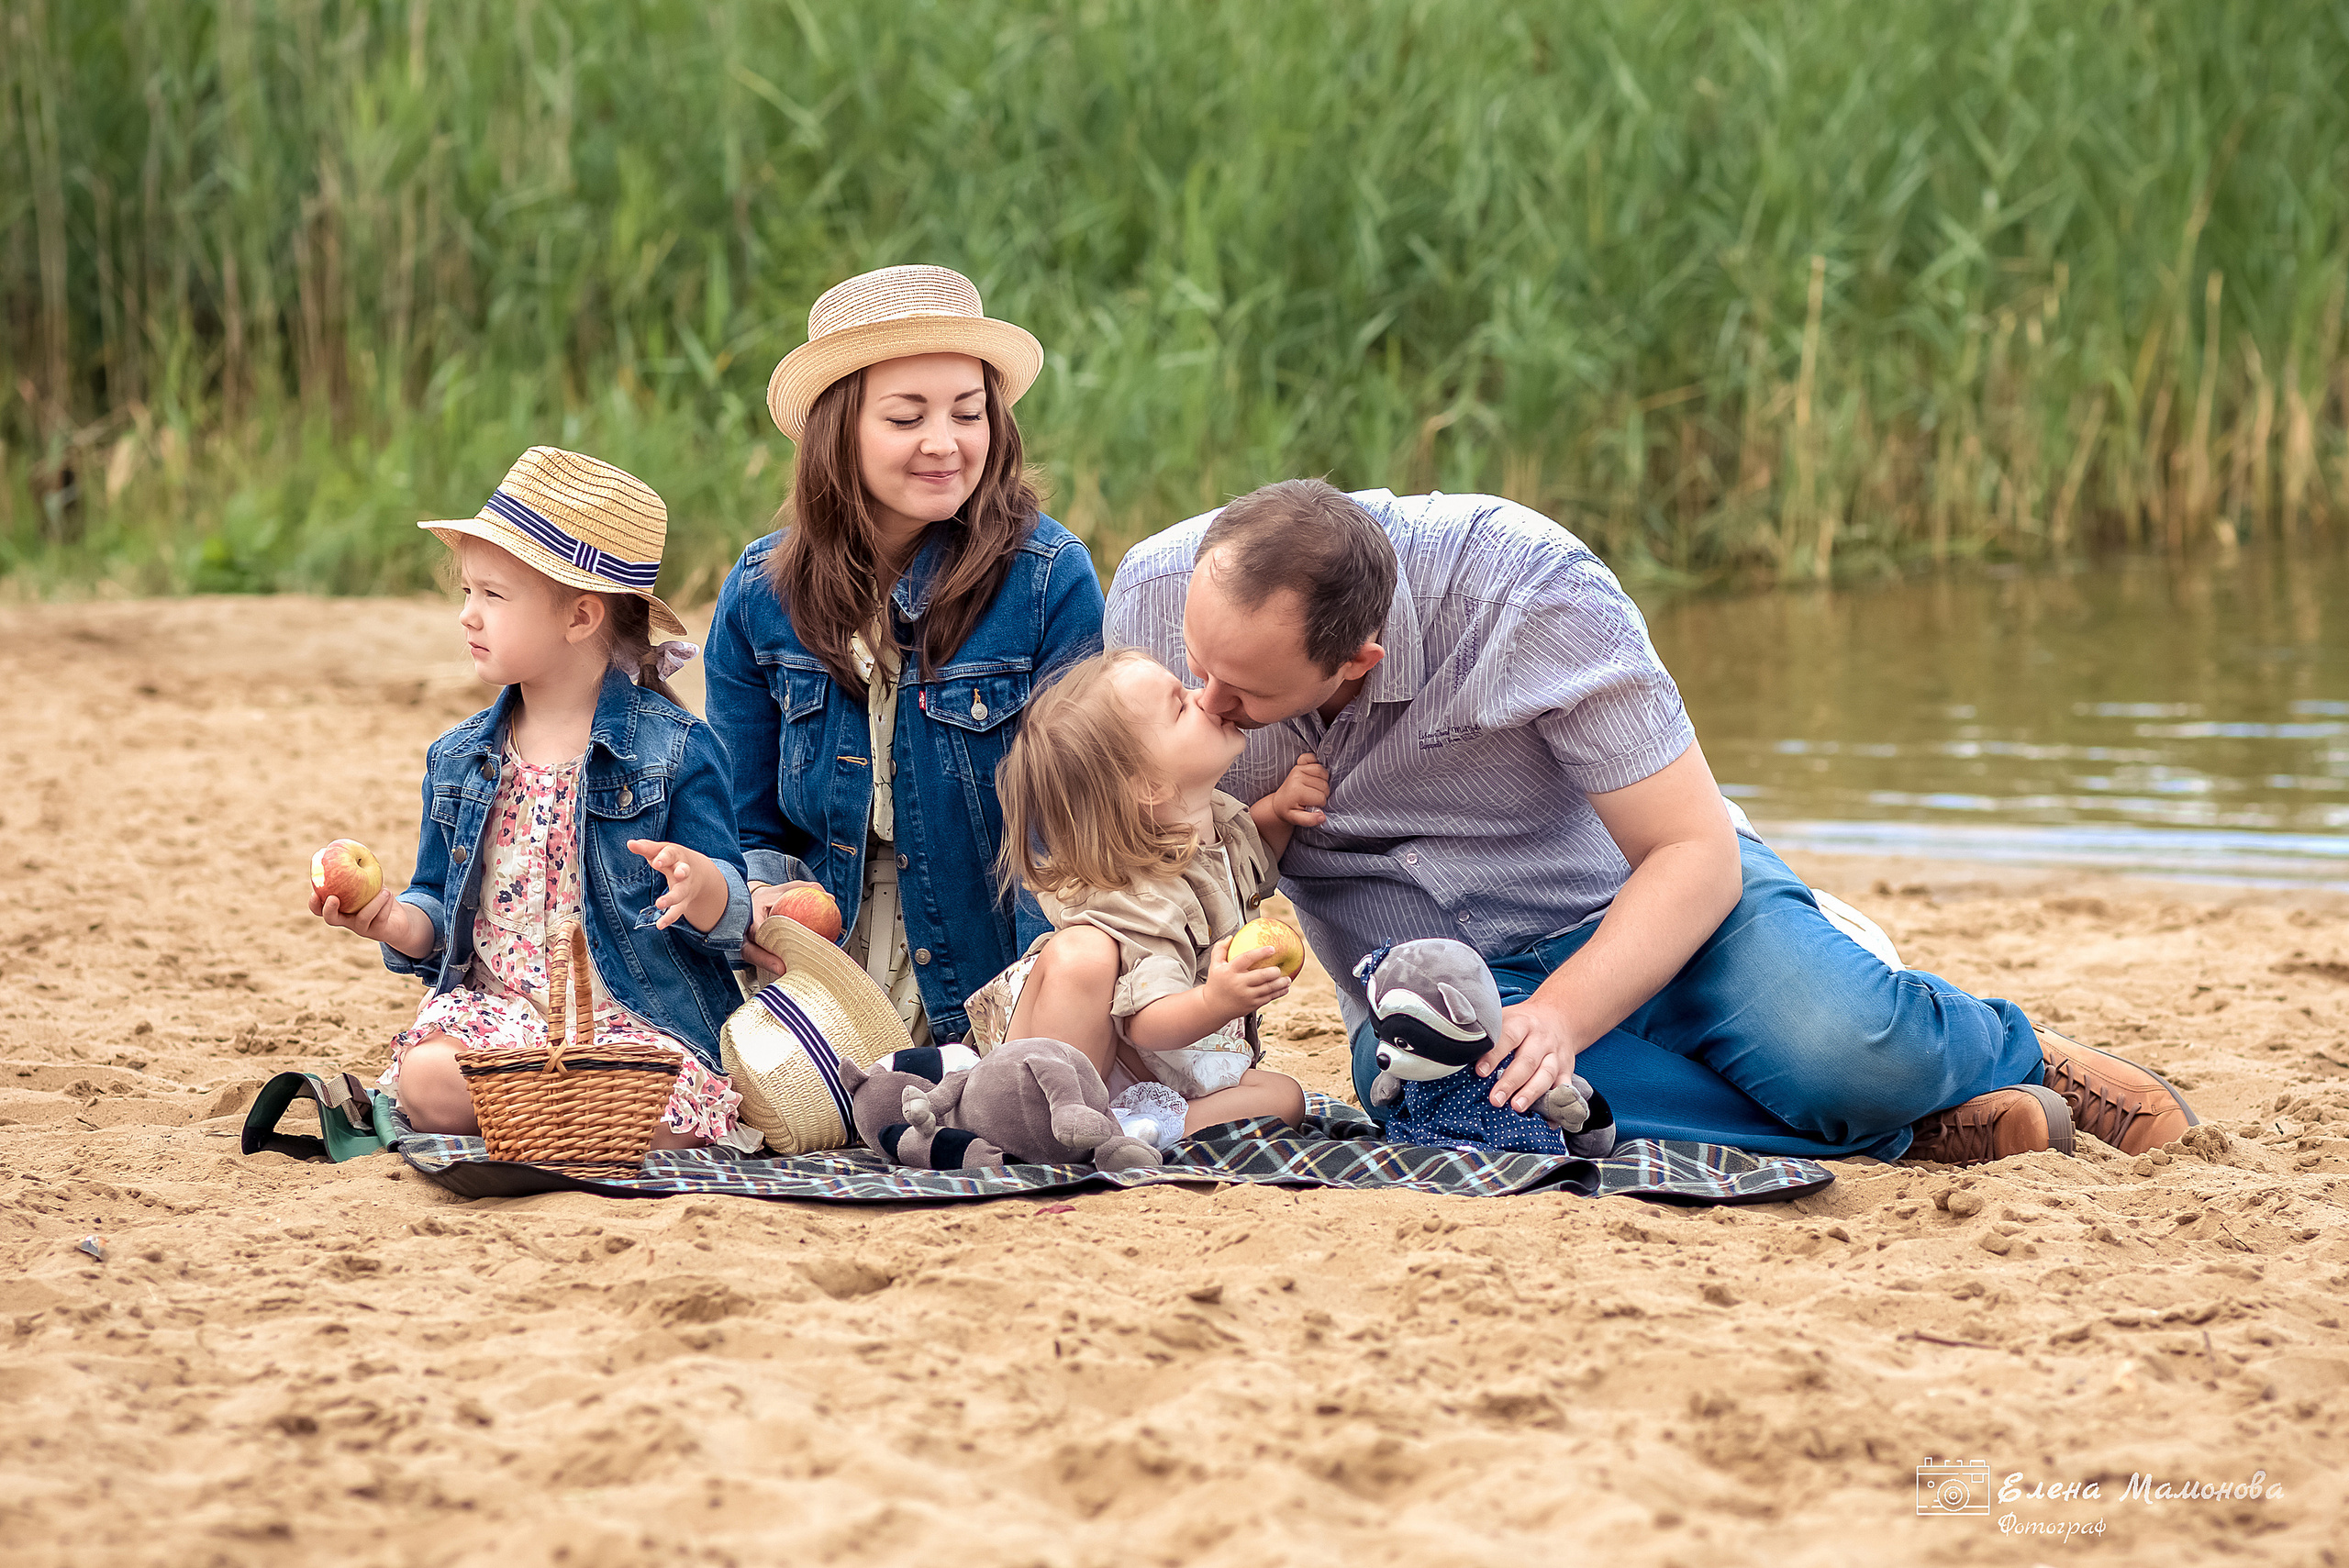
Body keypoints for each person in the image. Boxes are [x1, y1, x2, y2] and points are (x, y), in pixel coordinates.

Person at [1104, 479, 2200, 1164]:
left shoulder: (1524, 585)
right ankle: (1913, 1128)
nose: (1205, 698)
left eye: (1240, 695)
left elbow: (1689, 849)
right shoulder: (1156, 594)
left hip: (1650, 904)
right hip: (1435, 979)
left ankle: (2015, 1054)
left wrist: (1570, 1010)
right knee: (1446, 1104)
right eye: (1194, 668)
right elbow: (1131, 838)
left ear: (1358, 662)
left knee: (1845, 1049)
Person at [704, 265, 1104, 1043]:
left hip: (993, 960)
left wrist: (1028, 1017)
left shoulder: (1049, 579)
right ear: (837, 430)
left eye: (968, 412)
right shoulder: (759, 594)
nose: (945, 444)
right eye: (905, 418)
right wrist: (759, 907)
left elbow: (1065, 830)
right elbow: (744, 822)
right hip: (819, 964)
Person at [312, 449, 752, 1148]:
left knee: (662, 1092)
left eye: (492, 595)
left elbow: (732, 910)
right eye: (466, 592)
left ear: (580, 616)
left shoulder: (676, 750)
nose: (467, 616)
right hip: (501, 1017)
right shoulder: (459, 758)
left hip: (631, 1019)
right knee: (427, 1076)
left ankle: (556, 1113)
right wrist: (393, 920)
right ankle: (574, 1117)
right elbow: (436, 904)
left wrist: (702, 888)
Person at [963, 648, 1318, 1136]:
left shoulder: (1216, 825)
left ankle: (1141, 1127)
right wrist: (1216, 1002)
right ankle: (1066, 1124)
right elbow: (1144, 1023)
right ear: (1148, 785)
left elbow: (1247, 865)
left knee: (1285, 1099)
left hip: (1158, 1065)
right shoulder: (1140, 899)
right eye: (1179, 706)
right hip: (1073, 1060)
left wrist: (1277, 812)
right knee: (1084, 954)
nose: (1203, 698)